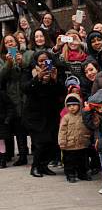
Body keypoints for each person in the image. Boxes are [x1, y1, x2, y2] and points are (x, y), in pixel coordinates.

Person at [21, 50, 65, 178]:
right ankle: (35, 166)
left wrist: (54, 80)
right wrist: (38, 78)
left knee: (52, 142)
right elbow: (25, 88)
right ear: (36, 61)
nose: (44, 63)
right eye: (40, 61)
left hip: (51, 113)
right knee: (40, 142)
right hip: (34, 115)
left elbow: (62, 91)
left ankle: (44, 166)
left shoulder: (55, 71)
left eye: (46, 60)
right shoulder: (28, 71)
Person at [0, 34, 32, 165]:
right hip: (8, 96)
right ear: (4, 45)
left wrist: (21, 62)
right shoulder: (2, 59)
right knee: (8, 125)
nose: (10, 44)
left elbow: (28, 71)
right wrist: (8, 63)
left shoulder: (24, 55)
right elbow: (1, 77)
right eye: (7, 42)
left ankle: (23, 155)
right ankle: (7, 155)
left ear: (16, 43)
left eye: (12, 41)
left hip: (23, 96)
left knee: (20, 127)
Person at [58, 93, 90, 182]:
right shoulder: (66, 118)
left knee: (82, 161)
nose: (72, 107)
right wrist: (62, 142)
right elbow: (62, 131)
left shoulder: (83, 116)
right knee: (69, 161)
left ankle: (82, 174)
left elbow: (90, 126)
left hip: (82, 143)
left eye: (74, 105)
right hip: (69, 145)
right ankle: (70, 174)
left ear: (79, 105)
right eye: (69, 106)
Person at [0, 88, 15, 168]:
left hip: (2, 122)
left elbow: (10, 107)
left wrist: (7, 120)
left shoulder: (2, 94)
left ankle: (3, 161)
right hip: (3, 121)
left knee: (1, 142)